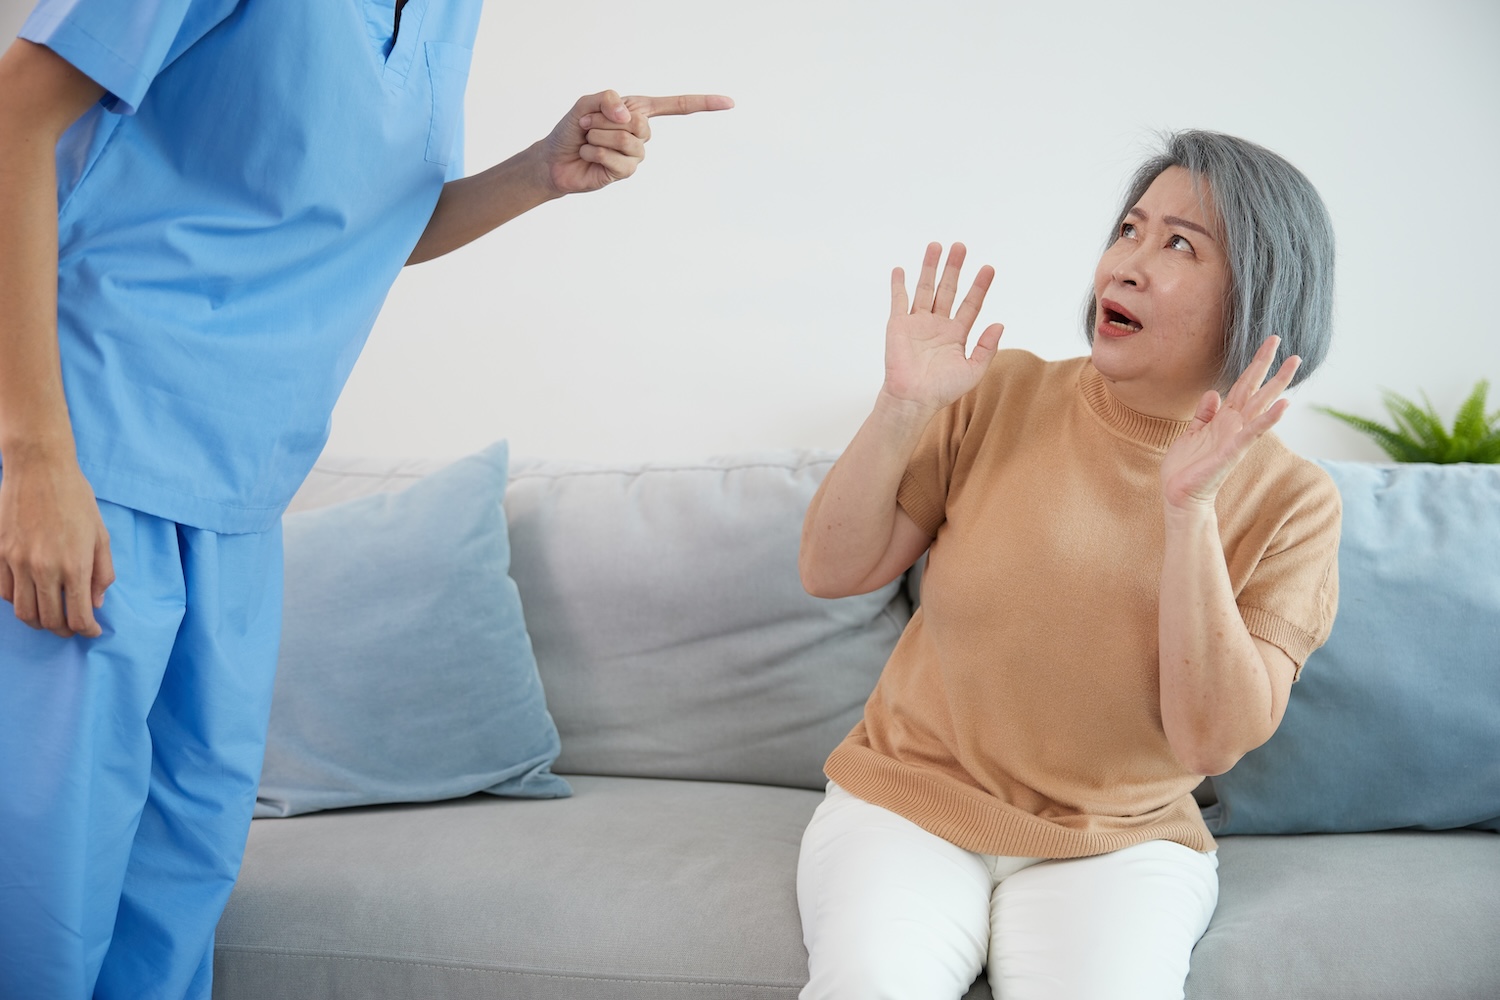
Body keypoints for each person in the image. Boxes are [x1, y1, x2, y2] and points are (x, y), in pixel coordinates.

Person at [0, 1, 731, 996]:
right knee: (44, 897)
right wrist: (37, 458)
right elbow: (15, 114)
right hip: (92, 446)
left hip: (246, 489)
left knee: (173, 895)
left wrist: (536, 173)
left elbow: (368, 217)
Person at [796, 130, 1341, 1000]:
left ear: (1258, 295)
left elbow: (1211, 740)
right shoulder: (1000, 392)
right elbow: (831, 569)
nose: (1125, 264)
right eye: (1129, 228)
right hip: (909, 806)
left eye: (1176, 245)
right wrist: (901, 407)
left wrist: (1188, 510)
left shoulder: (1294, 500)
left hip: (1118, 844)